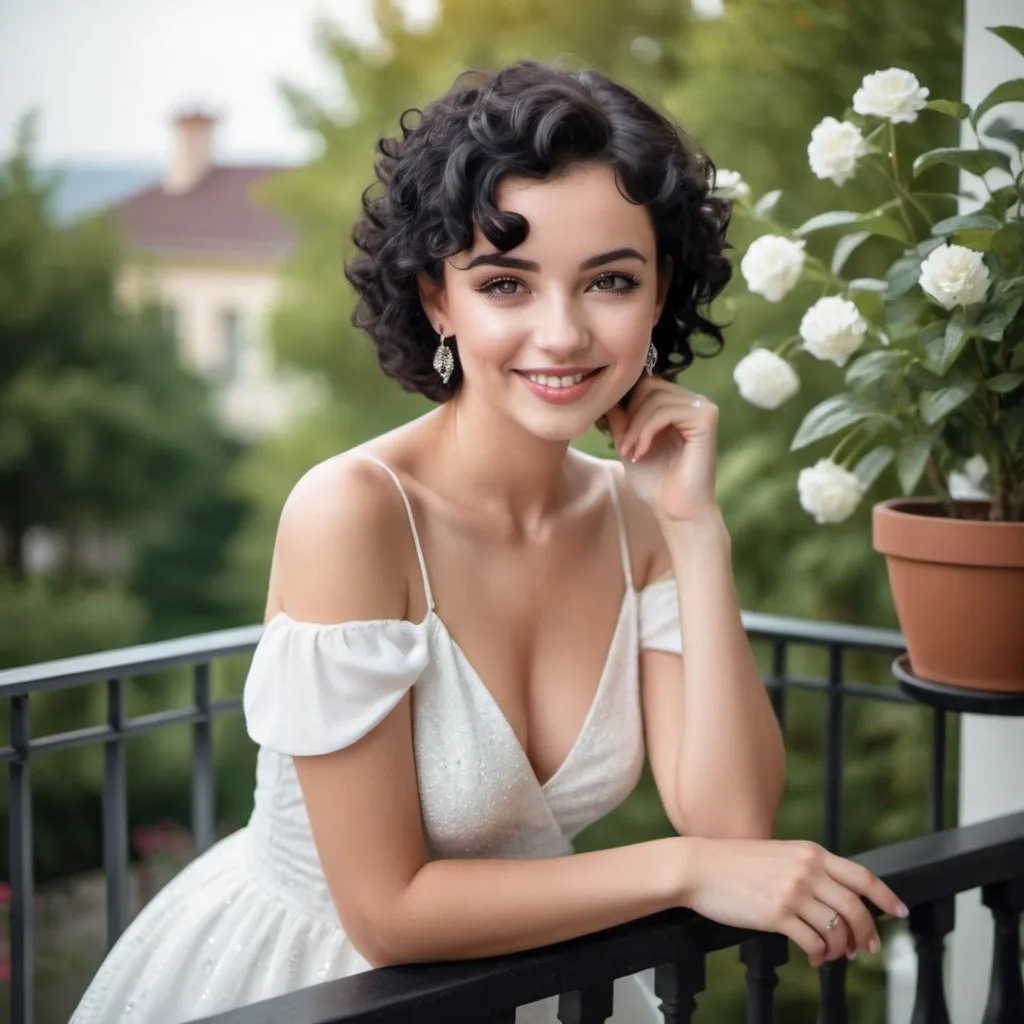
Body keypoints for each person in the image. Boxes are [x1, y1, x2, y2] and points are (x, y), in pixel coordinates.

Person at [72, 61, 907, 1024]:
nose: (562, 334)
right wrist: (683, 871)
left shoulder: (637, 515)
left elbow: (732, 824)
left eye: (610, 281)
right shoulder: (352, 513)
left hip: (528, 983)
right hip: (319, 986)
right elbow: (387, 913)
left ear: (660, 291)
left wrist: (696, 533)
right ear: (438, 298)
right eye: (506, 282)